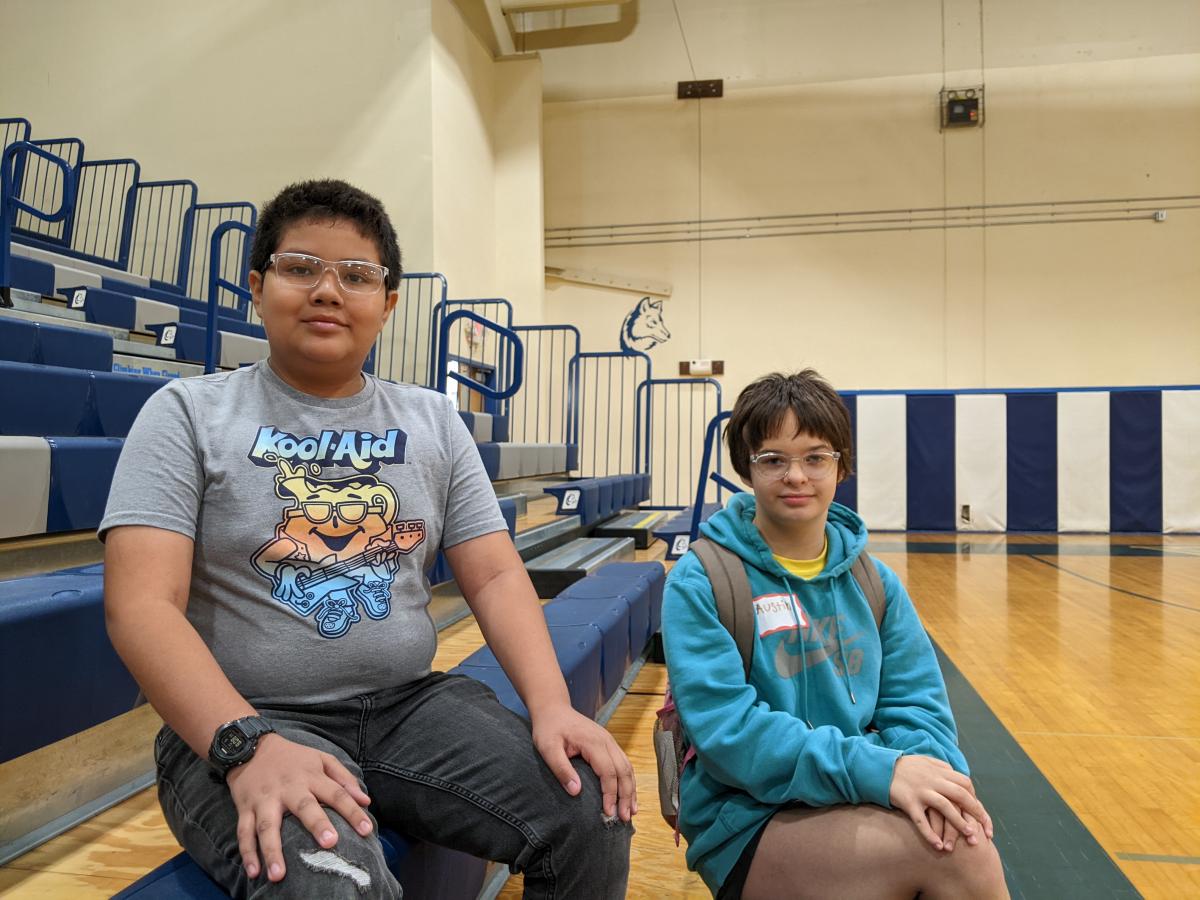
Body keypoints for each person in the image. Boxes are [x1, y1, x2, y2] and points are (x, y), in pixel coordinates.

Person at [102, 179, 634, 899]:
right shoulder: (185, 414)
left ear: (386, 305)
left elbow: (497, 577)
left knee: (589, 808)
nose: (328, 290)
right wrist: (244, 744)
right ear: (257, 288)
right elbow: (141, 606)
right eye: (300, 268)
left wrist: (552, 706)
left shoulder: (434, 422)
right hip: (248, 715)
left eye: (356, 276)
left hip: (409, 708)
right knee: (331, 879)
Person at [661, 370, 1008, 899]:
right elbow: (731, 735)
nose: (795, 475)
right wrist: (881, 771)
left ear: (841, 466)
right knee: (960, 857)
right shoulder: (703, 579)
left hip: (861, 795)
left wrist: (935, 785)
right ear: (745, 470)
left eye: (815, 457)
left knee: (957, 830)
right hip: (749, 817)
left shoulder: (873, 582)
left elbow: (920, 708)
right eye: (773, 459)